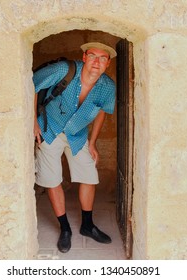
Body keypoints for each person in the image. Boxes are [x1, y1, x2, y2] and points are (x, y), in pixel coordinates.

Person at [33, 42, 117, 253]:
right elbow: (32, 84)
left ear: (108, 63)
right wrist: (33, 122)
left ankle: (87, 226)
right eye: (93, 56)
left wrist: (93, 141)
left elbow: (101, 112)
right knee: (52, 179)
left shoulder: (108, 86)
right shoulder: (64, 70)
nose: (96, 62)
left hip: (78, 135)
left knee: (89, 176)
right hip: (49, 128)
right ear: (84, 56)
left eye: (103, 58)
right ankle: (65, 229)